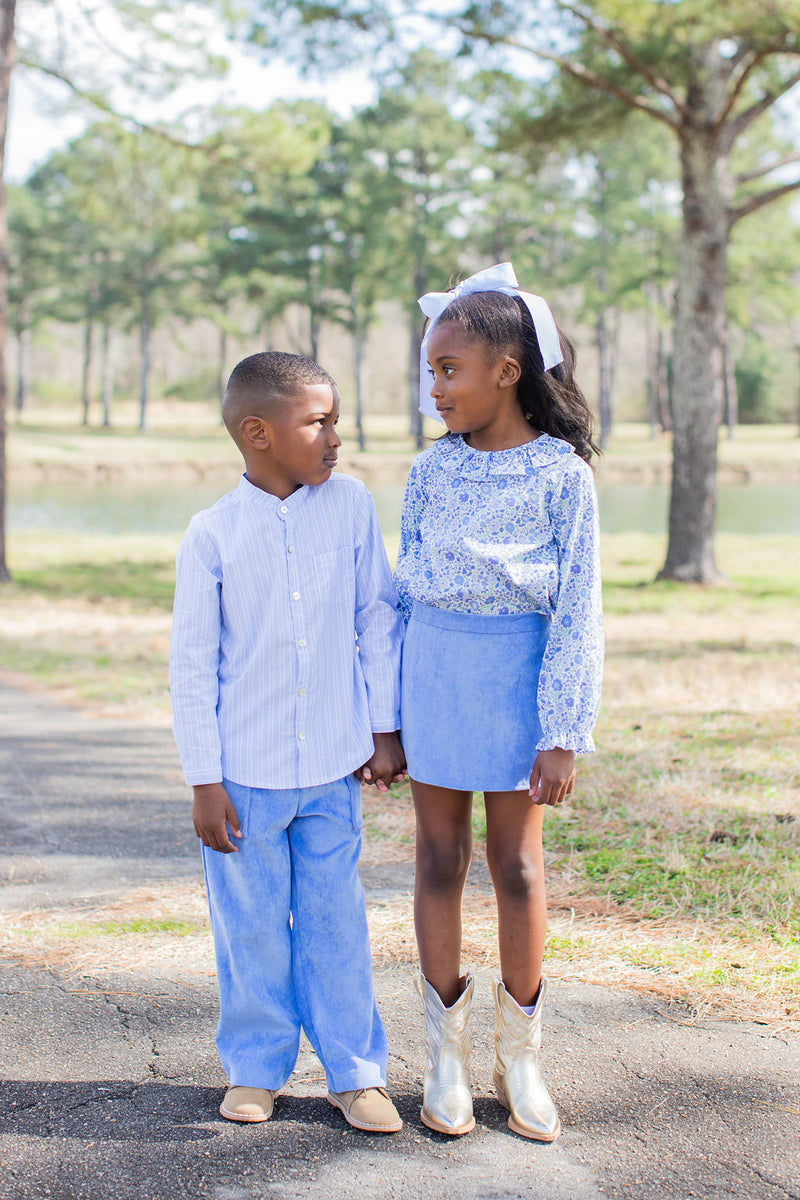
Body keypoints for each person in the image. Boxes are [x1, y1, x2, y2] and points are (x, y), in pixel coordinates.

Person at [170, 351, 406, 1133]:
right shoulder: (213, 535)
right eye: (319, 421)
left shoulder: (349, 508)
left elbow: (376, 617)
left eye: (336, 418)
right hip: (244, 778)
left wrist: (384, 729)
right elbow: (193, 666)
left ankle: (356, 1071)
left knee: (337, 922)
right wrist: (205, 779)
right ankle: (255, 1067)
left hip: (333, 769)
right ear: (258, 432)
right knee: (251, 928)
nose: (337, 436)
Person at [394, 263, 603, 1141]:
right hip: (435, 677)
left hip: (519, 683)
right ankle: (445, 1051)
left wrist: (562, 731)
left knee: (516, 868)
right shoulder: (428, 472)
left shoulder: (563, 477)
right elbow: (401, 599)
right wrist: (385, 717)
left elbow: (578, 609)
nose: (434, 387)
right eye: (431, 370)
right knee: (439, 858)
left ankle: (521, 1057)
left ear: (508, 371)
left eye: (450, 370)